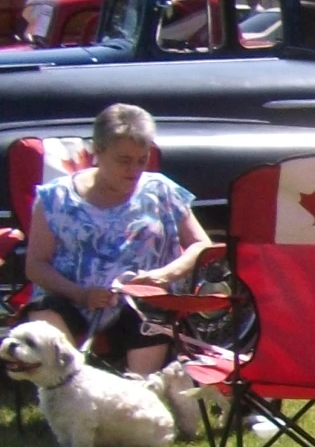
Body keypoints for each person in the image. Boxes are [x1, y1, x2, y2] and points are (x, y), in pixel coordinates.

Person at [22, 103, 214, 376]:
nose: (134, 169)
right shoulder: (56, 198)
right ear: (97, 151)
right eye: (124, 160)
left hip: (137, 301)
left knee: (151, 310)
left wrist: (162, 275)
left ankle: (138, 396)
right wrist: (81, 294)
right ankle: (67, 393)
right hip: (69, 299)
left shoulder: (160, 190)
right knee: (44, 313)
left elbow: (202, 246)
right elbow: (36, 266)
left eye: (142, 159)